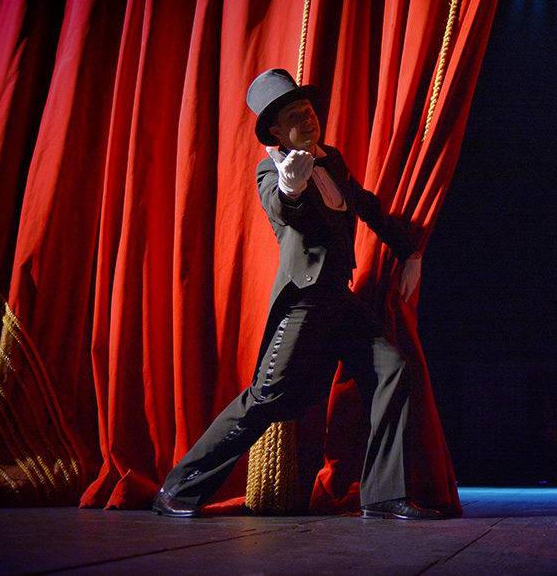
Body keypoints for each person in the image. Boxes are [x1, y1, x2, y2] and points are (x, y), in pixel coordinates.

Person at [152, 69, 441, 520]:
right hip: (304, 301)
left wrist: (410, 252)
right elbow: (281, 206)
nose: (308, 119)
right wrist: (291, 186)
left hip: (338, 298)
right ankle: (177, 488)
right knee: (267, 397)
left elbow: (366, 206)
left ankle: (383, 496)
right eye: (294, 116)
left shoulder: (331, 159)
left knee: (393, 369)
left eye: (308, 111)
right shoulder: (271, 170)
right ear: (274, 131)